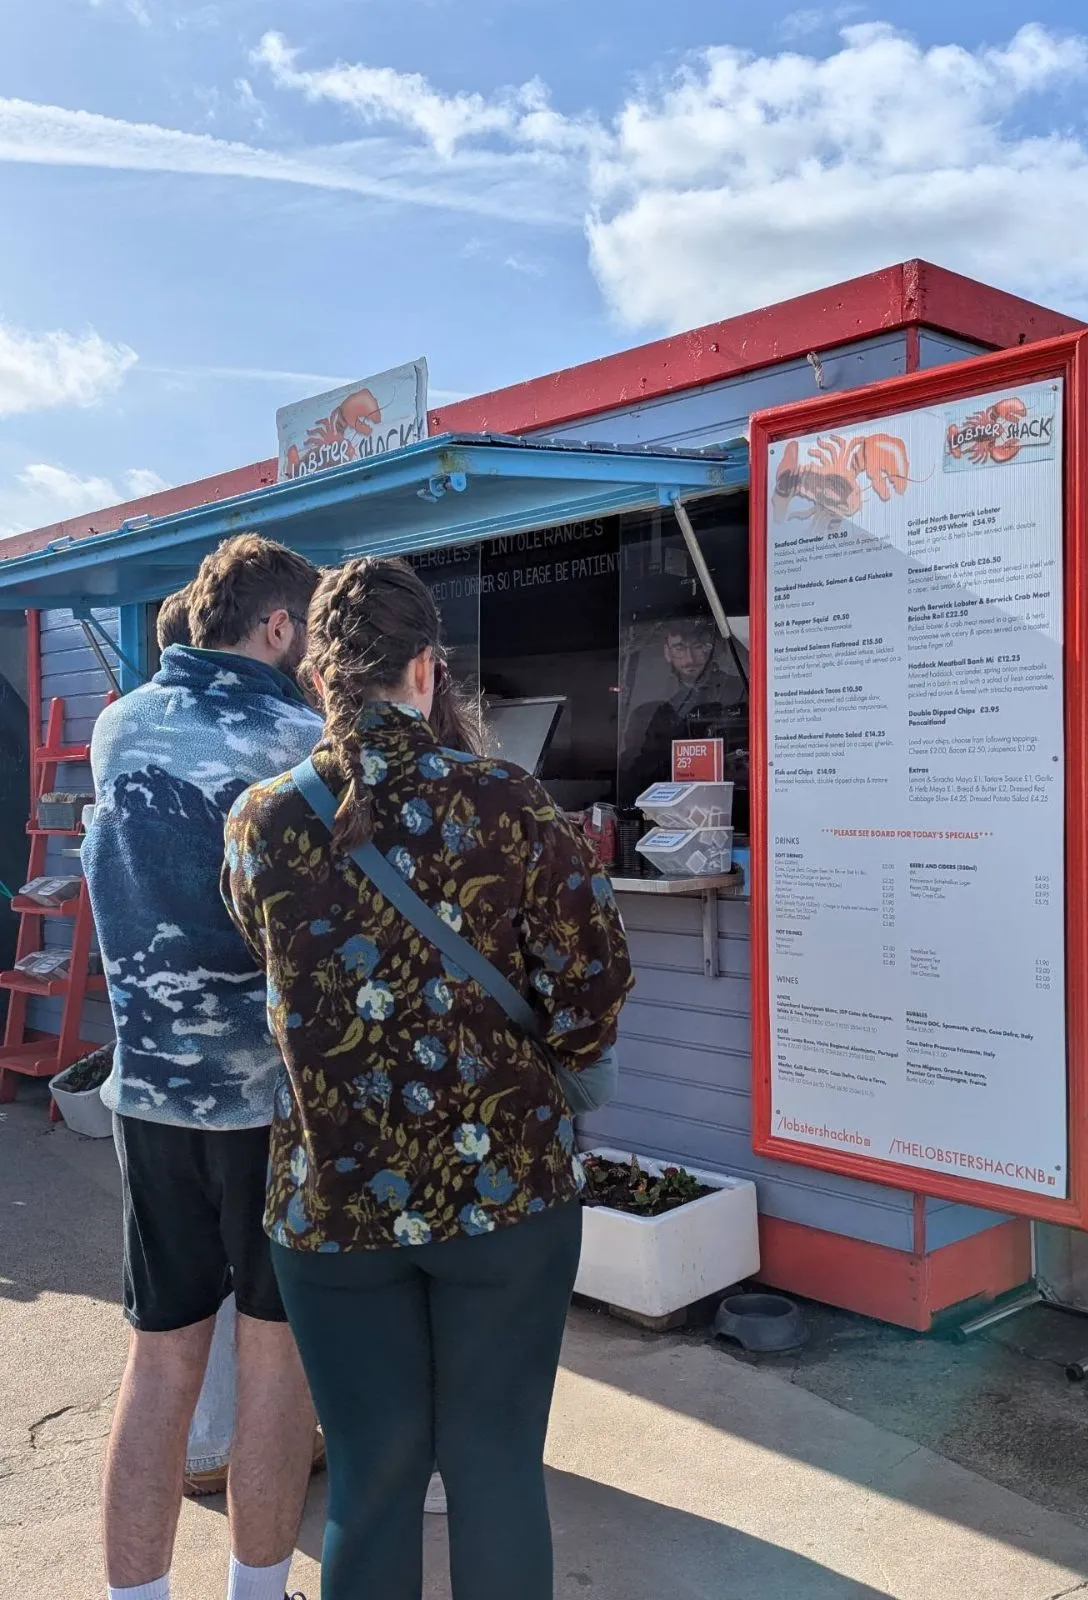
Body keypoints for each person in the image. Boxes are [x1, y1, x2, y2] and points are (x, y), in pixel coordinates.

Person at [222, 556, 634, 1600]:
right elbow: (594, 973)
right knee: (495, 1466)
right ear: (426, 668)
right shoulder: (508, 800)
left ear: (319, 681)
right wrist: (566, 1064)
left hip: (332, 1197)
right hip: (506, 1197)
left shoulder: (259, 820)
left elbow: (262, 951)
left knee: (371, 1472)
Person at [84, 535, 324, 1600]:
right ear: (277, 627)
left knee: (160, 1358)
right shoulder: (306, 740)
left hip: (151, 1099)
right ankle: (257, 1593)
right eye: (304, 633)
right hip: (275, 1104)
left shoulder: (113, 727)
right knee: (275, 1361)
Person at [621, 613, 747, 798]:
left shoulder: (741, 692)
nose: (689, 659)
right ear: (667, 652)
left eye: (698, 647)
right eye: (679, 648)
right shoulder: (662, 713)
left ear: (713, 650)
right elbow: (639, 775)